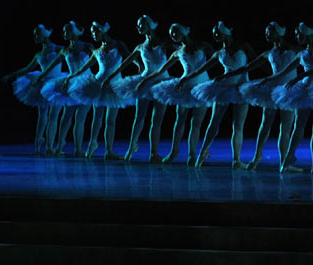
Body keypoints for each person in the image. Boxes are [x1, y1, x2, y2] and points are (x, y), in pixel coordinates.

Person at [137, 23, 211, 164]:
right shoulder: (177, 53)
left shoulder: (203, 46)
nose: (173, 36)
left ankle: (192, 154)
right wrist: (145, 80)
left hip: (201, 86)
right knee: (180, 120)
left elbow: (215, 60)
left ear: (183, 31)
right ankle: (174, 151)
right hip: (184, 87)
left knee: (196, 123)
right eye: (171, 34)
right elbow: (160, 70)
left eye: (175, 32)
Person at [184, 21, 254, 168]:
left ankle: (236, 160)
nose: (215, 35)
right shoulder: (219, 53)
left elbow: (253, 64)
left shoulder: (243, 47)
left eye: (217, 32)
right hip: (223, 88)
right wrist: (185, 78)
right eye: (214, 33)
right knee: (214, 122)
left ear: (226, 32)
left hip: (241, 88)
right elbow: (201, 69)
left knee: (238, 125)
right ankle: (201, 155)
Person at [63, 21, 132, 159]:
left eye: (95, 31)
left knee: (110, 120)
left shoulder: (118, 45)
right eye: (92, 32)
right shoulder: (97, 51)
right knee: (97, 117)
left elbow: (130, 57)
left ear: (103, 30)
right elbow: (84, 67)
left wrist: (139, 64)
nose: (93, 34)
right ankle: (92, 143)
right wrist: (70, 77)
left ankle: (109, 150)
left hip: (115, 84)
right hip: (99, 83)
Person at [233, 22, 297, 170]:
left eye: (270, 32)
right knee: (265, 123)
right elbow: (249, 67)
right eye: (266, 32)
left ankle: (284, 162)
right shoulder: (268, 53)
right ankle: (257, 156)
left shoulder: (295, 49)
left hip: (289, 91)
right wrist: (228, 76)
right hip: (272, 91)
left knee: (286, 128)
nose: (267, 34)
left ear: (279, 32)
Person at [105, 15, 169, 162]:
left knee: (157, 120)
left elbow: (181, 52)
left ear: (149, 25)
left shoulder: (164, 43)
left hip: (161, 82)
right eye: (138, 25)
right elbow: (124, 63)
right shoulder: (140, 47)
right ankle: (131, 148)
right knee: (139, 117)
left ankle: (154, 153)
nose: (138, 27)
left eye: (141, 24)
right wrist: (110, 78)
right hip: (144, 82)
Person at [2, 24, 64, 154]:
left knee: (53, 115)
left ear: (44, 35)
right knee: (43, 114)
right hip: (43, 83)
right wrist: (11, 75)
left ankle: (49, 146)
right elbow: (27, 69)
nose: (34, 37)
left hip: (56, 83)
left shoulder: (59, 49)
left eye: (37, 34)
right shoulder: (38, 54)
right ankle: (39, 143)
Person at [37, 21, 93, 156]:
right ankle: (59, 145)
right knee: (67, 116)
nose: (63, 33)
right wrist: (40, 77)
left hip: (86, 83)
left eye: (66, 31)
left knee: (80, 117)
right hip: (72, 83)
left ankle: (78, 149)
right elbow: (51, 66)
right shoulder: (65, 50)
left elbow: (96, 58)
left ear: (74, 32)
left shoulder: (87, 46)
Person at [271, 23, 313, 173]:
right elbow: (284, 71)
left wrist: (299, 76)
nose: (297, 37)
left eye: (299, 34)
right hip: (305, 90)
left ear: (308, 34)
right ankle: (289, 157)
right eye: (296, 34)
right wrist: (268, 79)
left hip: (306, 86)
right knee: (298, 126)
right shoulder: (301, 53)